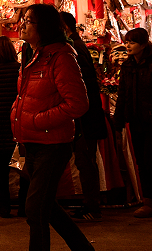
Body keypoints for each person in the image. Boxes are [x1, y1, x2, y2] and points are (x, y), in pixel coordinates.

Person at [10, 4, 92, 251]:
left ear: (43, 27)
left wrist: (37, 120)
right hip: (32, 143)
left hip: (53, 144)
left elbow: (78, 104)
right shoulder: (33, 53)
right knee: (45, 206)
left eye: (28, 21)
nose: (21, 25)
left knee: (35, 209)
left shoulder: (62, 57)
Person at [113, 27, 152, 223]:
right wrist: (119, 120)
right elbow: (122, 94)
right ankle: (148, 202)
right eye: (127, 41)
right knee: (142, 163)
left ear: (143, 44)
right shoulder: (128, 66)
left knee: (151, 161)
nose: (128, 45)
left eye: (132, 42)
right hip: (135, 121)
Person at [60, 12, 108, 222]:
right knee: (85, 162)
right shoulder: (77, 47)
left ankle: (92, 206)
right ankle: (91, 204)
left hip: (84, 117)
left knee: (86, 162)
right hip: (86, 115)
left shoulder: (75, 49)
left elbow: (83, 86)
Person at [0, 36, 27, 219]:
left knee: (1, 169)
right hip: (18, 124)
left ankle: (3, 207)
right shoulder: (21, 71)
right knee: (23, 167)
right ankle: (24, 206)